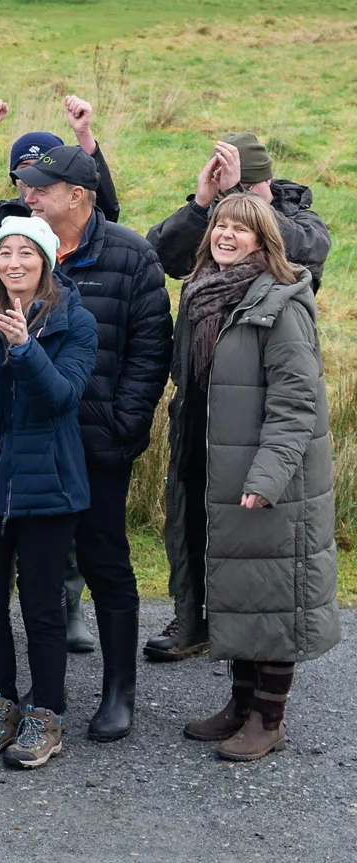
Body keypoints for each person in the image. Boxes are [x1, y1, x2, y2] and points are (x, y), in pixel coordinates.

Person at [164, 194, 339, 761]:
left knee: (273, 593)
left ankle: (269, 718)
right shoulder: (204, 296)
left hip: (271, 478)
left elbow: (295, 402)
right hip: (219, 469)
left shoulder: (281, 304)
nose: (226, 235)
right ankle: (240, 705)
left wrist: (267, 477)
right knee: (237, 588)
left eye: (241, 228)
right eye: (220, 225)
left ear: (264, 241)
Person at [15, 145, 172, 743]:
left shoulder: (131, 254)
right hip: (36, 439)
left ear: (78, 195)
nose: (29, 197)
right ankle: (45, 688)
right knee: (39, 566)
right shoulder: (24, 248)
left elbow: (151, 350)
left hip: (98, 440)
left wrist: (123, 426)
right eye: (27, 188)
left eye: (41, 188)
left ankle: (118, 691)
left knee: (106, 563)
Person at [0, 217, 98, 769]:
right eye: (4, 252)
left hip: (46, 485)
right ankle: (0, 703)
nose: (13, 263)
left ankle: (46, 712)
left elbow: (62, 397)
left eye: (26, 253)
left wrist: (25, 346)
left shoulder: (75, 321)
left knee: (42, 607)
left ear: (46, 262)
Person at [147, 132, 330, 294]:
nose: (229, 199)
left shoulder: (301, 220)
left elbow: (310, 251)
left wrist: (235, 194)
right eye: (222, 187)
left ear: (267, 179)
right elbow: (159, 258)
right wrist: (198, 206)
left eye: (244, 188)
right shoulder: (207, 216)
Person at [0, 96, 121, 261]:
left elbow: (108, 209)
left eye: (43, 168)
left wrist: (84, 134)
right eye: (25, 168)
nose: (34, 176)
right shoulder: (1, 219)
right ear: (15, 178)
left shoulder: (79, 217)